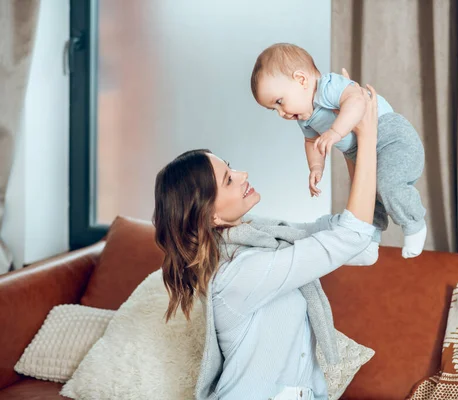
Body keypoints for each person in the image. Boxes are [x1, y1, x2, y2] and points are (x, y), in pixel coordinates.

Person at [152, 80, 379, 400]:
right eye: (229, 180)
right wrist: (367, 139)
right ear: (211, 216)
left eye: (230, 168)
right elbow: (351, 236)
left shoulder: (264, 235)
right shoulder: (236, 274)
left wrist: (350, 144)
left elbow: (360, 245)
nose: (243, 175)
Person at [251, 43, 427, 258]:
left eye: (280, 102)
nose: (281, 113)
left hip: (390, 137)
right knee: (366, 195)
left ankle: (414, 223)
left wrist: (335, 131)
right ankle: (369, 239)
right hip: (361, 150)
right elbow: (311, 143)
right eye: (274, 109)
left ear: (301, 79)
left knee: (388, 183)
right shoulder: (304, 117)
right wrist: (316, 167)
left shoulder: (327, 86)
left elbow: (357, 100)